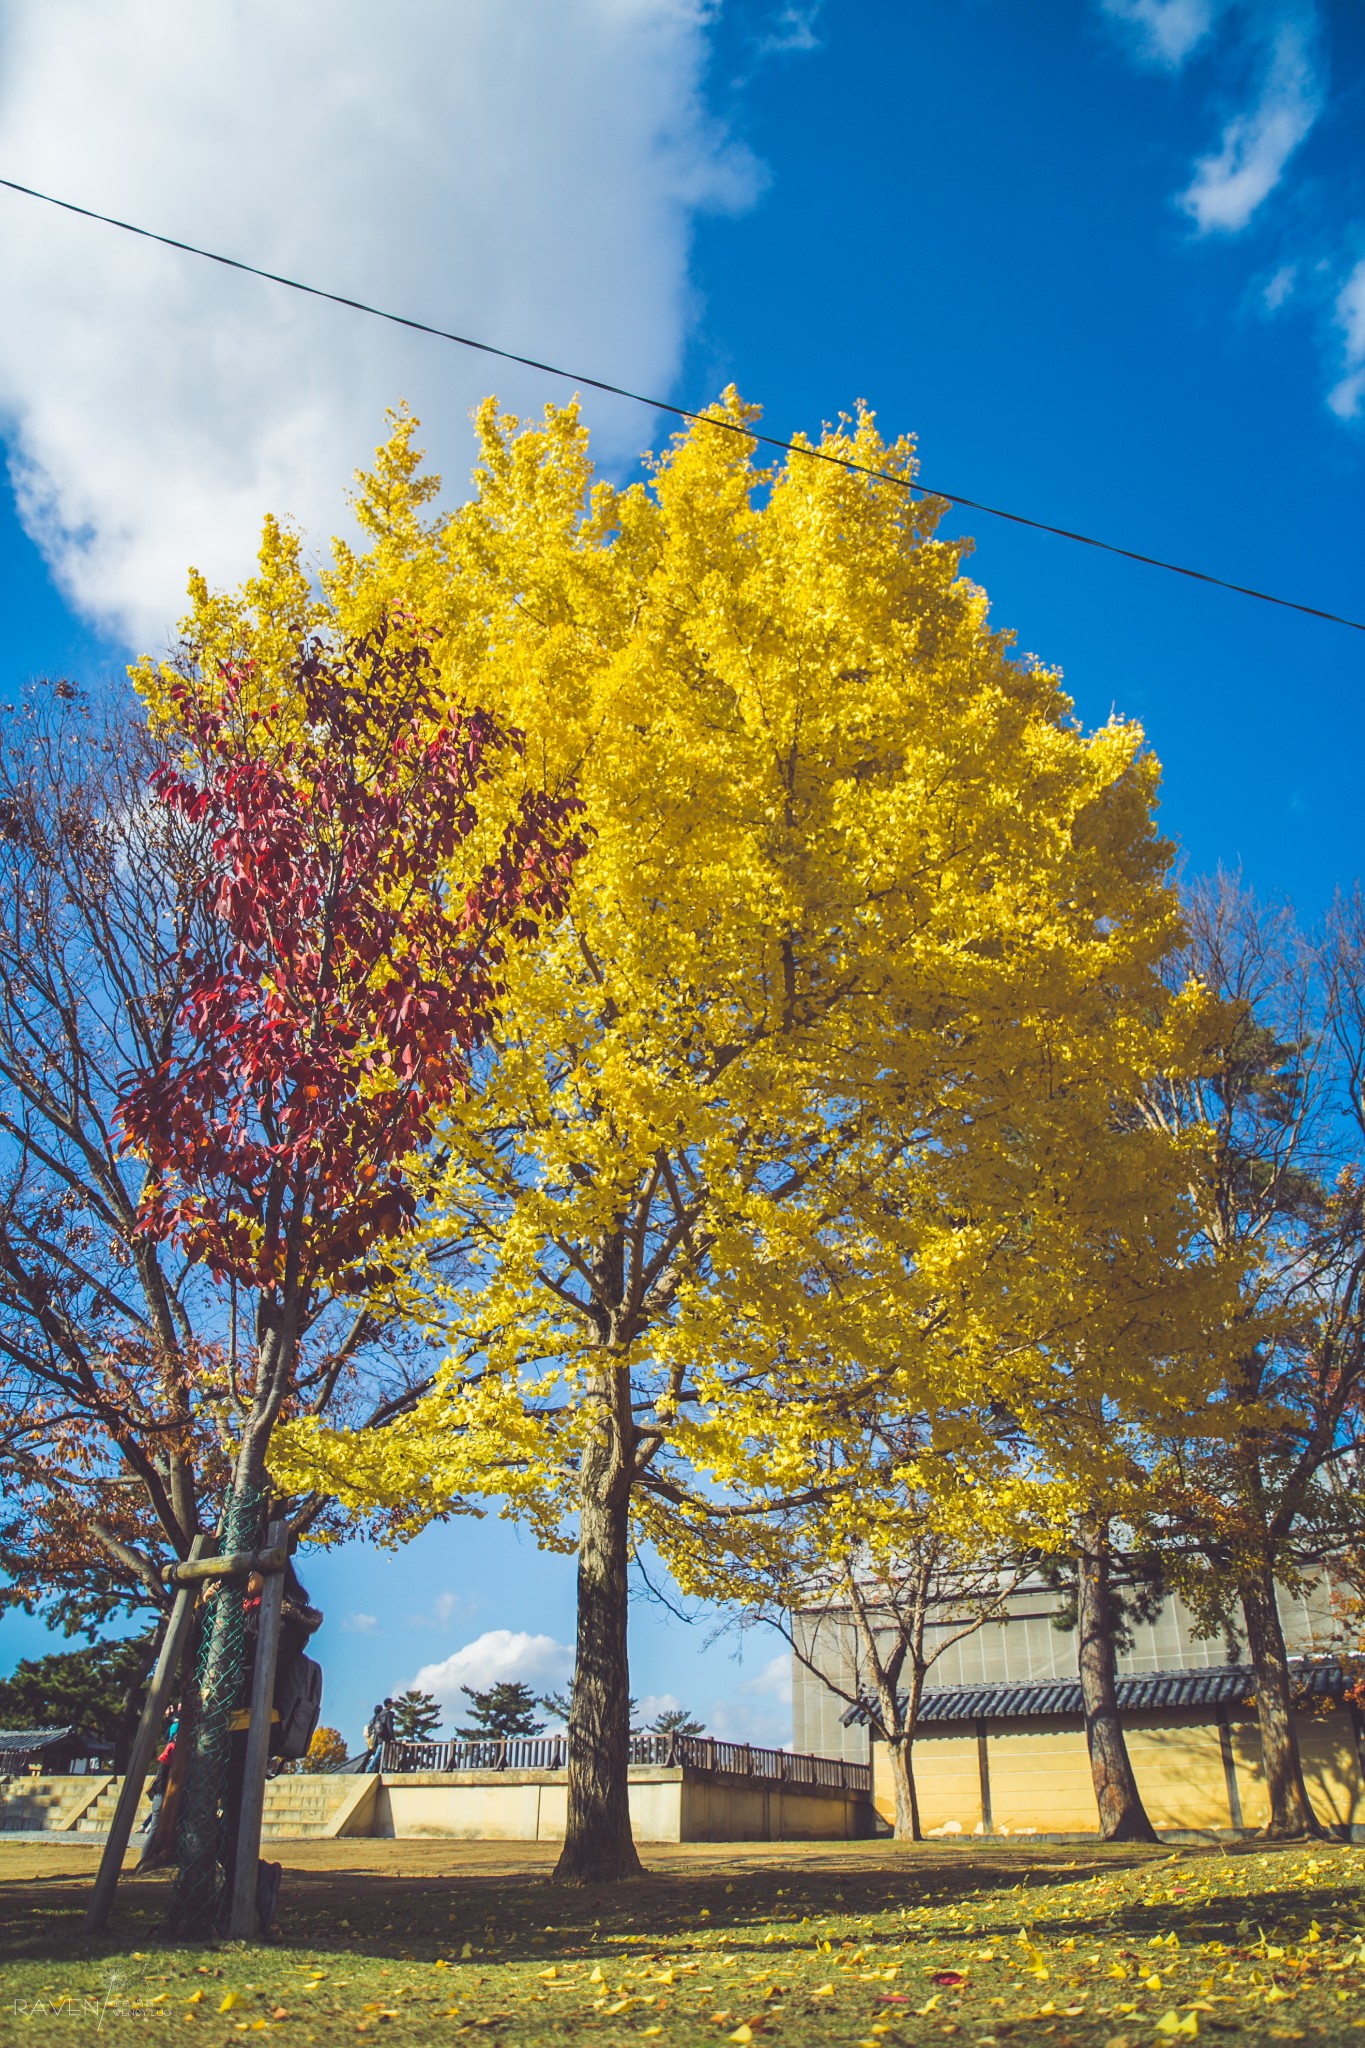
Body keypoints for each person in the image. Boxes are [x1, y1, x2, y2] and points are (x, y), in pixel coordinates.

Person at [221, 1554, 323, 1938]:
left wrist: (230, 1622)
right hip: (221, 1723)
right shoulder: (237, 1609)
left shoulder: (282, 1619)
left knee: (233, 1818)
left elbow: (259, 1661)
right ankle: (249, 1883)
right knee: (190, 1815)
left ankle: (246, 1892)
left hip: (253, 1721)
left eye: (250, 1572)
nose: (243, 1578)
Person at [362, 1698, 396, 1773]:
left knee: (379, 1753)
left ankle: (371, 1769)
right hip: (386, 1738)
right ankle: (371, 1769)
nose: (392, 1704)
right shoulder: (388, 1714)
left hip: (380, 1737)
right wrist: (393, 1738)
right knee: (383, 1754)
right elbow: (389, 1727)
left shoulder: (380, 1714)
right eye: (391, 1703)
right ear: (388, 1704)